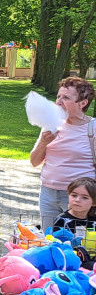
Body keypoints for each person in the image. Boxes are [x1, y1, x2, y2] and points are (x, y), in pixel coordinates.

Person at [30, 77, 96, 231]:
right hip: (48, 193)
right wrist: (43, 142)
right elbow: (34, 161)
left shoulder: (92, 128)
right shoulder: (51, 123)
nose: (58, 102)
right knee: (50, 241)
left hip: (80, 196)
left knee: (79, 245)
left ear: (82, 103)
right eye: (58, 96)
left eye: (66, 97)